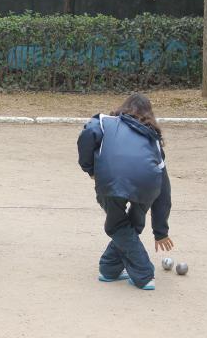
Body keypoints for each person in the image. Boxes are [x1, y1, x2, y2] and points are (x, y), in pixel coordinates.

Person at [77, 93, 174, 290]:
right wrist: (160, 230)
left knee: (116, 225)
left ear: (123, 108)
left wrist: (90, 169)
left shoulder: (105, 122)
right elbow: (163, 186)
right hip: (147, 182)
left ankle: (143, 274)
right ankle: (109, 269)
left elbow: (86, 136)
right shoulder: (153, 138)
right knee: (133, 224)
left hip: (110, 178)